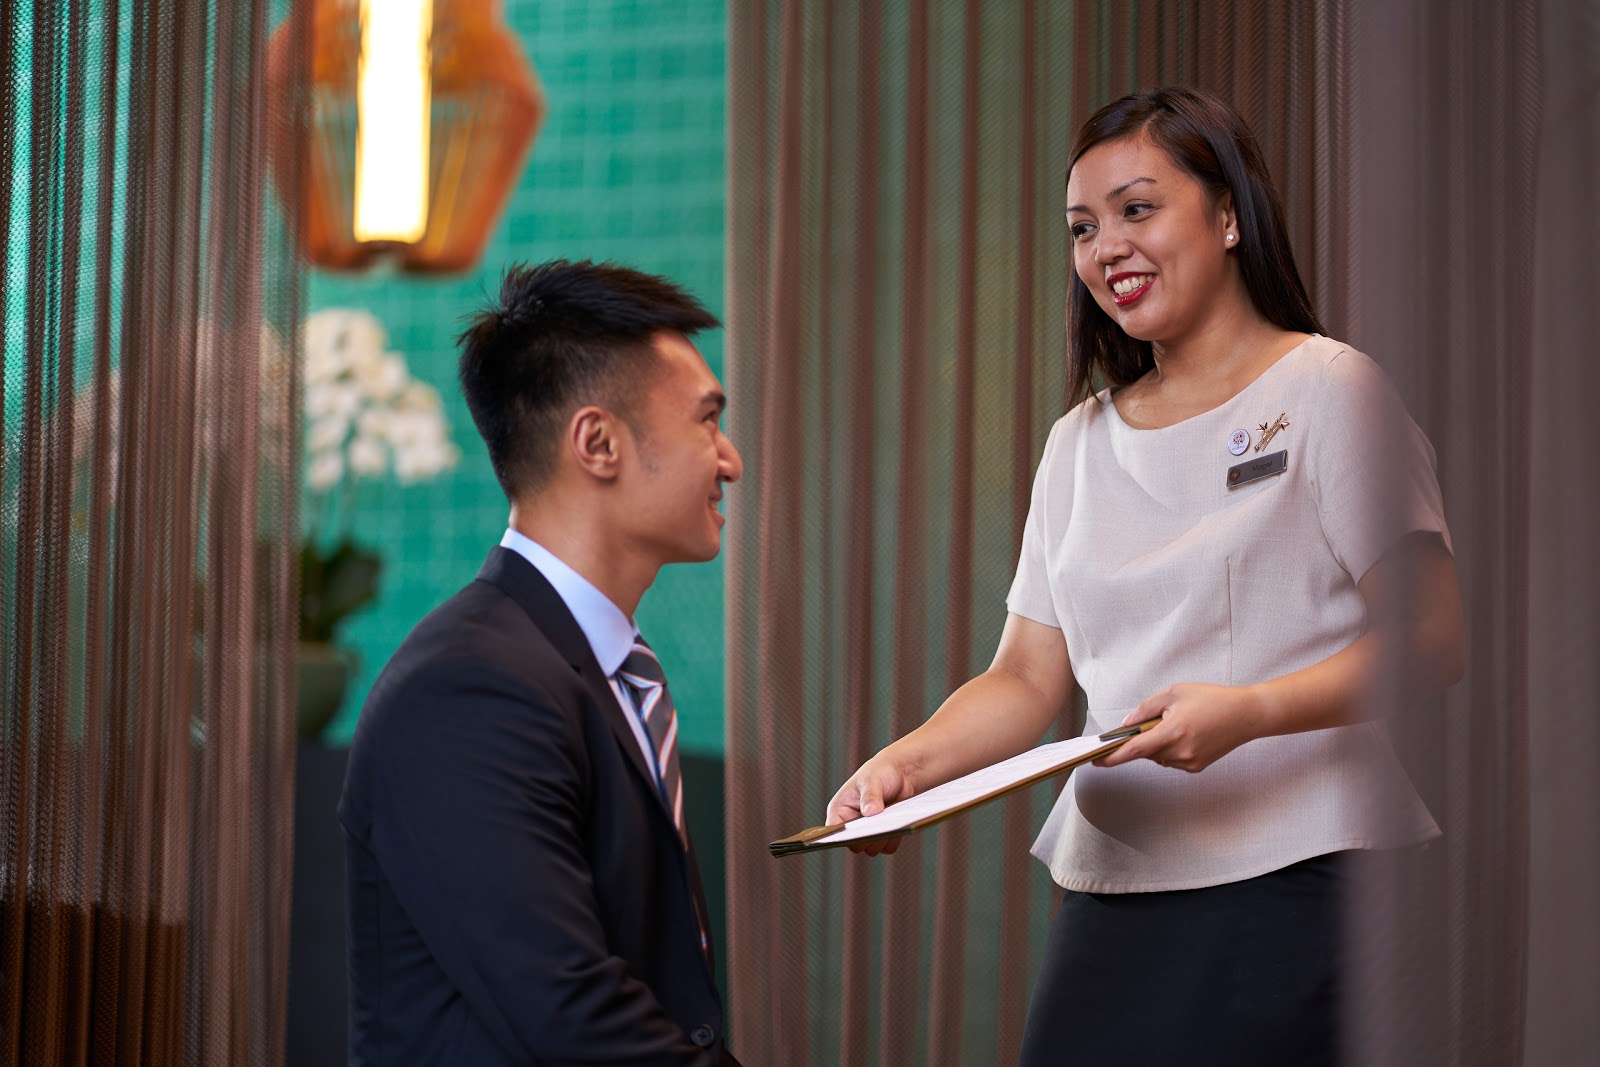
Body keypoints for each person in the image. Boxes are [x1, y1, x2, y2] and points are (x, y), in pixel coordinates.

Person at [826, 87, 1464, 1065]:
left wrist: (1244, 711)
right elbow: (1027, 677)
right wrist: (903, 769)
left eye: (1136, 208)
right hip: (1115, 884)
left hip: (1301, 876)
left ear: (1225, 216)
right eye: (1082, 227)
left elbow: (1431, 638)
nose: (1104, 248)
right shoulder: (1077, 442)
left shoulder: (1329, 390)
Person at [339, 260, 745, 1065]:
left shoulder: (588, 666)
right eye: (706, 421)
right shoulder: (467, 691)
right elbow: (571, 1013)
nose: (729, 459)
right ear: (598, 442)